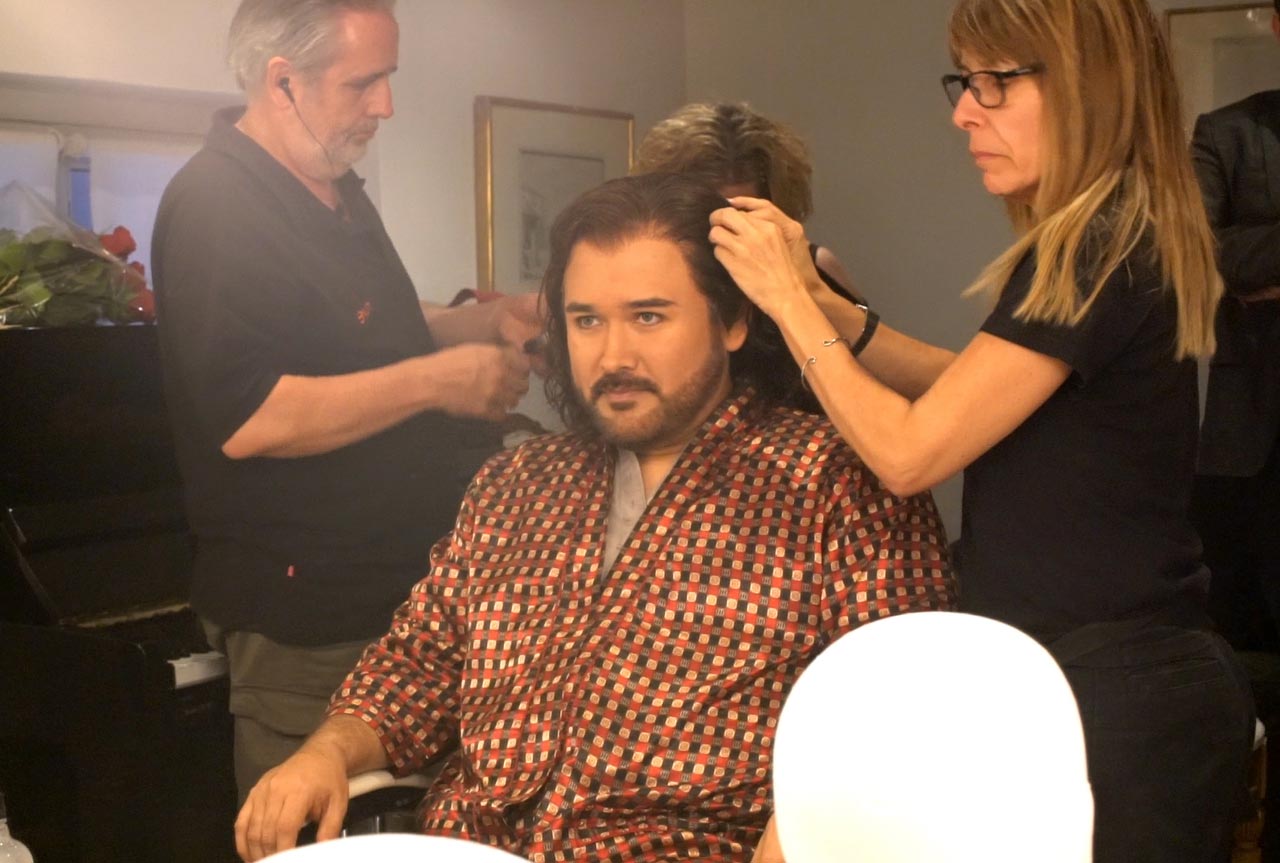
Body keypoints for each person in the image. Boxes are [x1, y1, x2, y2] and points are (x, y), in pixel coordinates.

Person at [232, 173, 955, 862]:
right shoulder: (516, 483)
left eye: (649, 316)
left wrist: (813, 821)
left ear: (733, 322)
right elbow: (420, 664)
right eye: (586, 321)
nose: (613, 355)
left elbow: (901, 715)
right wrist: (325, 752)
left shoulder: (836, 485)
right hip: (467, 845)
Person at [708, 0, 1256, 859]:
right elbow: (969, 391)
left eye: (996, 82)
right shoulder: (1116, 231)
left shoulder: (1098, 245)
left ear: (1087, 85)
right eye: (964, 82)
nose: (965, 111)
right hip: (1110, 676)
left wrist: (786, 304)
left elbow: (908, 453)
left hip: (1123, 698)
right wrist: (827, 307)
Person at [151, 0, 540, 802]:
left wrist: (486, 321)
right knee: (316, 828)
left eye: (387, 78)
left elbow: (370, 324)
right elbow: (249, 415)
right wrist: (440, 380)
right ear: (283, 82)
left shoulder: (336, 187)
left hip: (399, 599)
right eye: (363, 82)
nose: (385, 105)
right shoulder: (215, 203)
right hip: (310, 622)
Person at [1189, 0, 1280, 654]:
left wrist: (1256, 252)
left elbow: (1238, 256)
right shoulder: (1225, 133)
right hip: (1252, 434)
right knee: (1248, 643)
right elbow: (1196, 259)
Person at [634, 102, 862, 305]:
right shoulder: (643, 273)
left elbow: (863, 338)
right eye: (708, 216)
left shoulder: (812, 269)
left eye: (744, 214)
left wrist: (808, 291)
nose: (724, 232)